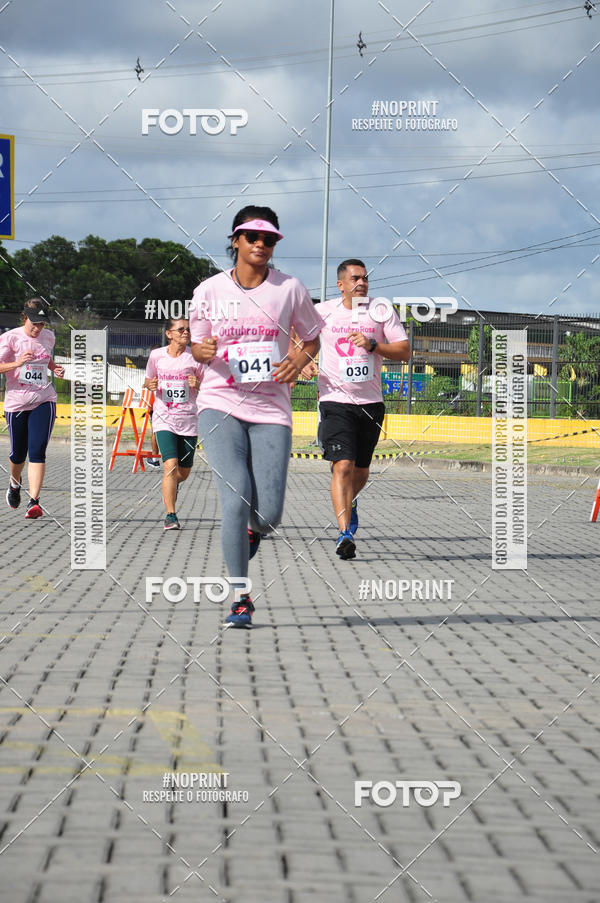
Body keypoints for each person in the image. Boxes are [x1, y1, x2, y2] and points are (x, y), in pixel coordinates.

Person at [190, 205, 324, 628]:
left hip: (271, 407)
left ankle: (252, 534)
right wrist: (202, 351)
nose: (261, 245)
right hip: (220, 402)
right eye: (253, 237)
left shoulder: (289, 289)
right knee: (235, 499)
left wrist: (297, 358)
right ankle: (240, 598)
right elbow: (196, 345)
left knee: (268, 515)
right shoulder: (209, 290)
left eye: (269, 239)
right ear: (235, 241)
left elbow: (314, 336)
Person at [315, 259, 410, 559]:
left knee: (361, 470)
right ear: (340, 284)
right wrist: (303, 362)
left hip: (370, 403)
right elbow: (297, 337)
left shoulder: (380, 311)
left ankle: (349, 502)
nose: (362, 283)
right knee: (342, 465)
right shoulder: (322, 312)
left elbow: (405, 351)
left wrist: (373, 346)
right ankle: (345, 534)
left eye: (365, 278)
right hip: (333, 400)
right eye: (355, 278)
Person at [0, 298, 65, 518]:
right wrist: (17, 363)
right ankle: (14, 483)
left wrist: (55, 368)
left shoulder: (48, 337)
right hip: (17, 402)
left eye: (42, 323)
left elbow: (45, 360)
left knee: (37, 450)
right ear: (24, 317)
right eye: (34, 323)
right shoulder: (10, 338)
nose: (38, 328)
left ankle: (34, 502)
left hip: (44, 399)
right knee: (18, 453)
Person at [143, 317, 204, 530]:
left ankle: (171, 486)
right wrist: (150, 384)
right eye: (181, 330)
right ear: (169, 334)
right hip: (164, 418)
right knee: (169, 465)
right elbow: (148, 380)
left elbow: (208, 384)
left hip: (189, 420)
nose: (186, 333)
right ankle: (171, 515)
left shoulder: (195, 358)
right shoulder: (156, 356)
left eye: (188, 329)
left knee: (183, 472)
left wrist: (199, 383)